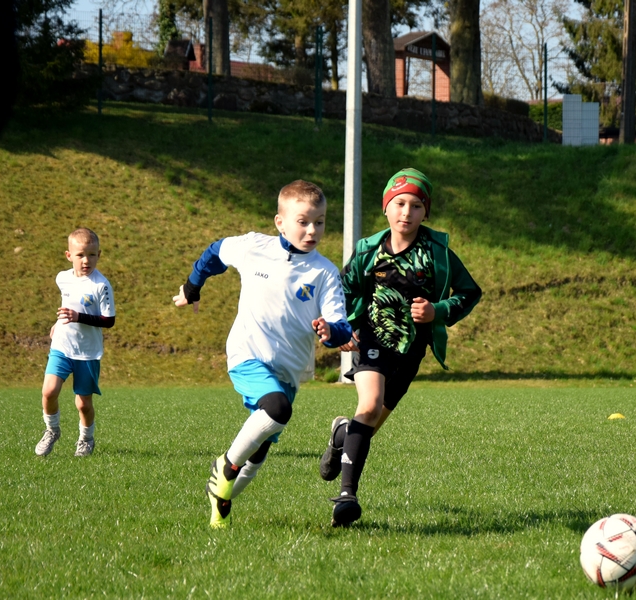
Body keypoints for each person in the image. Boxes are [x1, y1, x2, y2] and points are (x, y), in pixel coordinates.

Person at [173, 180, 352, 529]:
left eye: (319, 222)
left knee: (260, 449)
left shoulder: (325, 273)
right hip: (247, 354)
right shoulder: (254, 247)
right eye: (303, 221)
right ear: (280, 222)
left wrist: (332, 332)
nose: (312, 230)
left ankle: (220, 500)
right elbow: (215, 253)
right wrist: (193, 287)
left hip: (289, 371)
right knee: (277, 409)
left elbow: (341, 325)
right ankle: (225, 466)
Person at [319, 167, 482, 527]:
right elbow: (342, 292)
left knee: (368, 426)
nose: (407, 212)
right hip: (372, 339)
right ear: (386, 207)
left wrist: (438, 310)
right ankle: (347, 497)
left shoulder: (437, 253)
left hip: (411, 352)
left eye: (416, 206)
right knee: (369, 405)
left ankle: (341, 435)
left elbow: (470, 292)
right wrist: (339, 327)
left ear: (426, 212)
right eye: (400, 203)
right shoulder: (369, 251)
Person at [36, 228, 116, 458]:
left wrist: (77, 317)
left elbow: (109, 320)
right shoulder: (62, 278)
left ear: (99, 254)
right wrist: (58, 322)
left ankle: (86, 439)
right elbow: (68, 303)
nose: (86, 260)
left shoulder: (101, 286)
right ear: (69, 255)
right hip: (62, 345)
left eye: (91, 255)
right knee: (49, 391)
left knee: (83, 405)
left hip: (87, 352)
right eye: (80, 255)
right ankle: (52, 430)